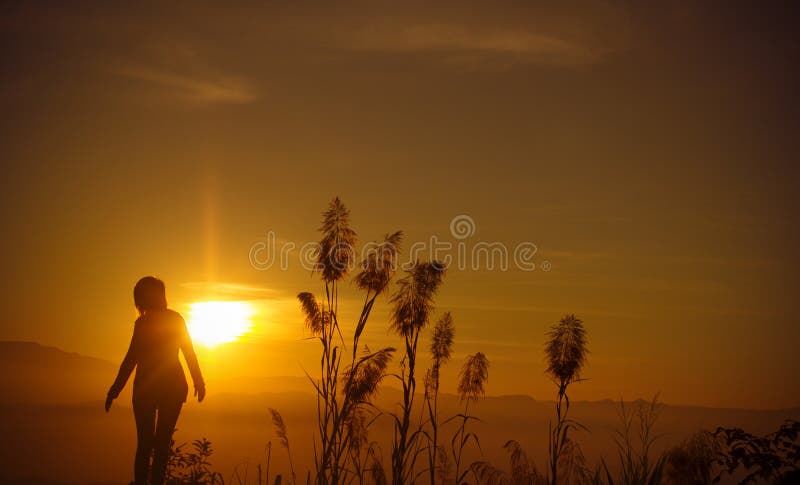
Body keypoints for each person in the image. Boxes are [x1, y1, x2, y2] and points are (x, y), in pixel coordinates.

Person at [105, 276, 205, 485]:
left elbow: (130, 359)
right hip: (171, 388)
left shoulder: (143, 324)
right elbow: (189, 352)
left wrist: (114, 391)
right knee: (161, 445)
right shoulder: (174, 319)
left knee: (145, 446)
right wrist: (198, 380)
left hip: (147, 390)